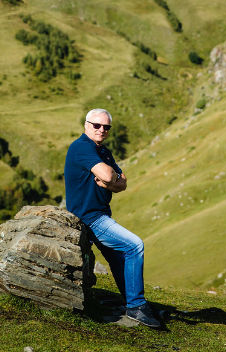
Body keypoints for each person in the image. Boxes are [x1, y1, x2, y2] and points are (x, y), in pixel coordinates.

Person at [64, 108, 161, 328]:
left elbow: (122, 183)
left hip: (101, 214)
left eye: (106, 127)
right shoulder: (81, 147)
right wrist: (110, 179)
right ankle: (136, 306)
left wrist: (109, 182)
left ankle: (134, 303)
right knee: (134, 246)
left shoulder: (103, 152)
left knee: (119, 259)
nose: (101, 130)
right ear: (86, 125)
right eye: (97, 125)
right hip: (89, 217)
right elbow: (110, 176)